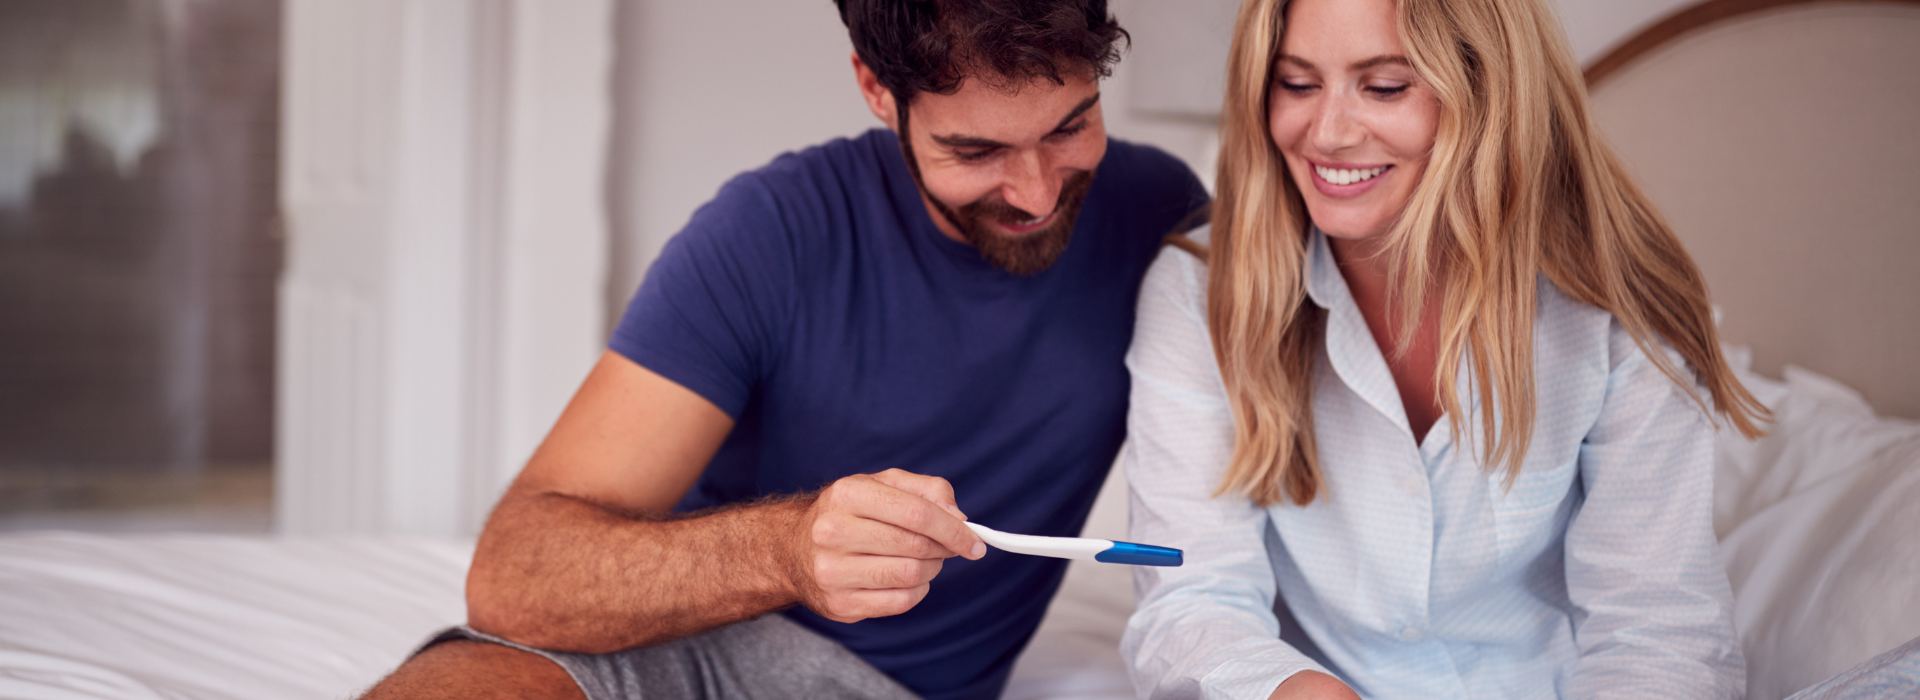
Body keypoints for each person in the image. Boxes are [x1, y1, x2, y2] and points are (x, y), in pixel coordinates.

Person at [361, 1, 1208, 699]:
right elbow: (514, 577)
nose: (1037, 192)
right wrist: (788, 552)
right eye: (975, 150)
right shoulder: (771, 231)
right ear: (877, 90)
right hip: (687, 649)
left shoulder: (1159, 214)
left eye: (1071, 126)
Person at [1118, 0, 1769, 697]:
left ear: (1489, 94)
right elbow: (1191, 593)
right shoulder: (1200, 292)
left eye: (1386, 86)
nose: (1328, 132)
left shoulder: (1616, 309)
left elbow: (1656, 635)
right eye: (1297, 84)